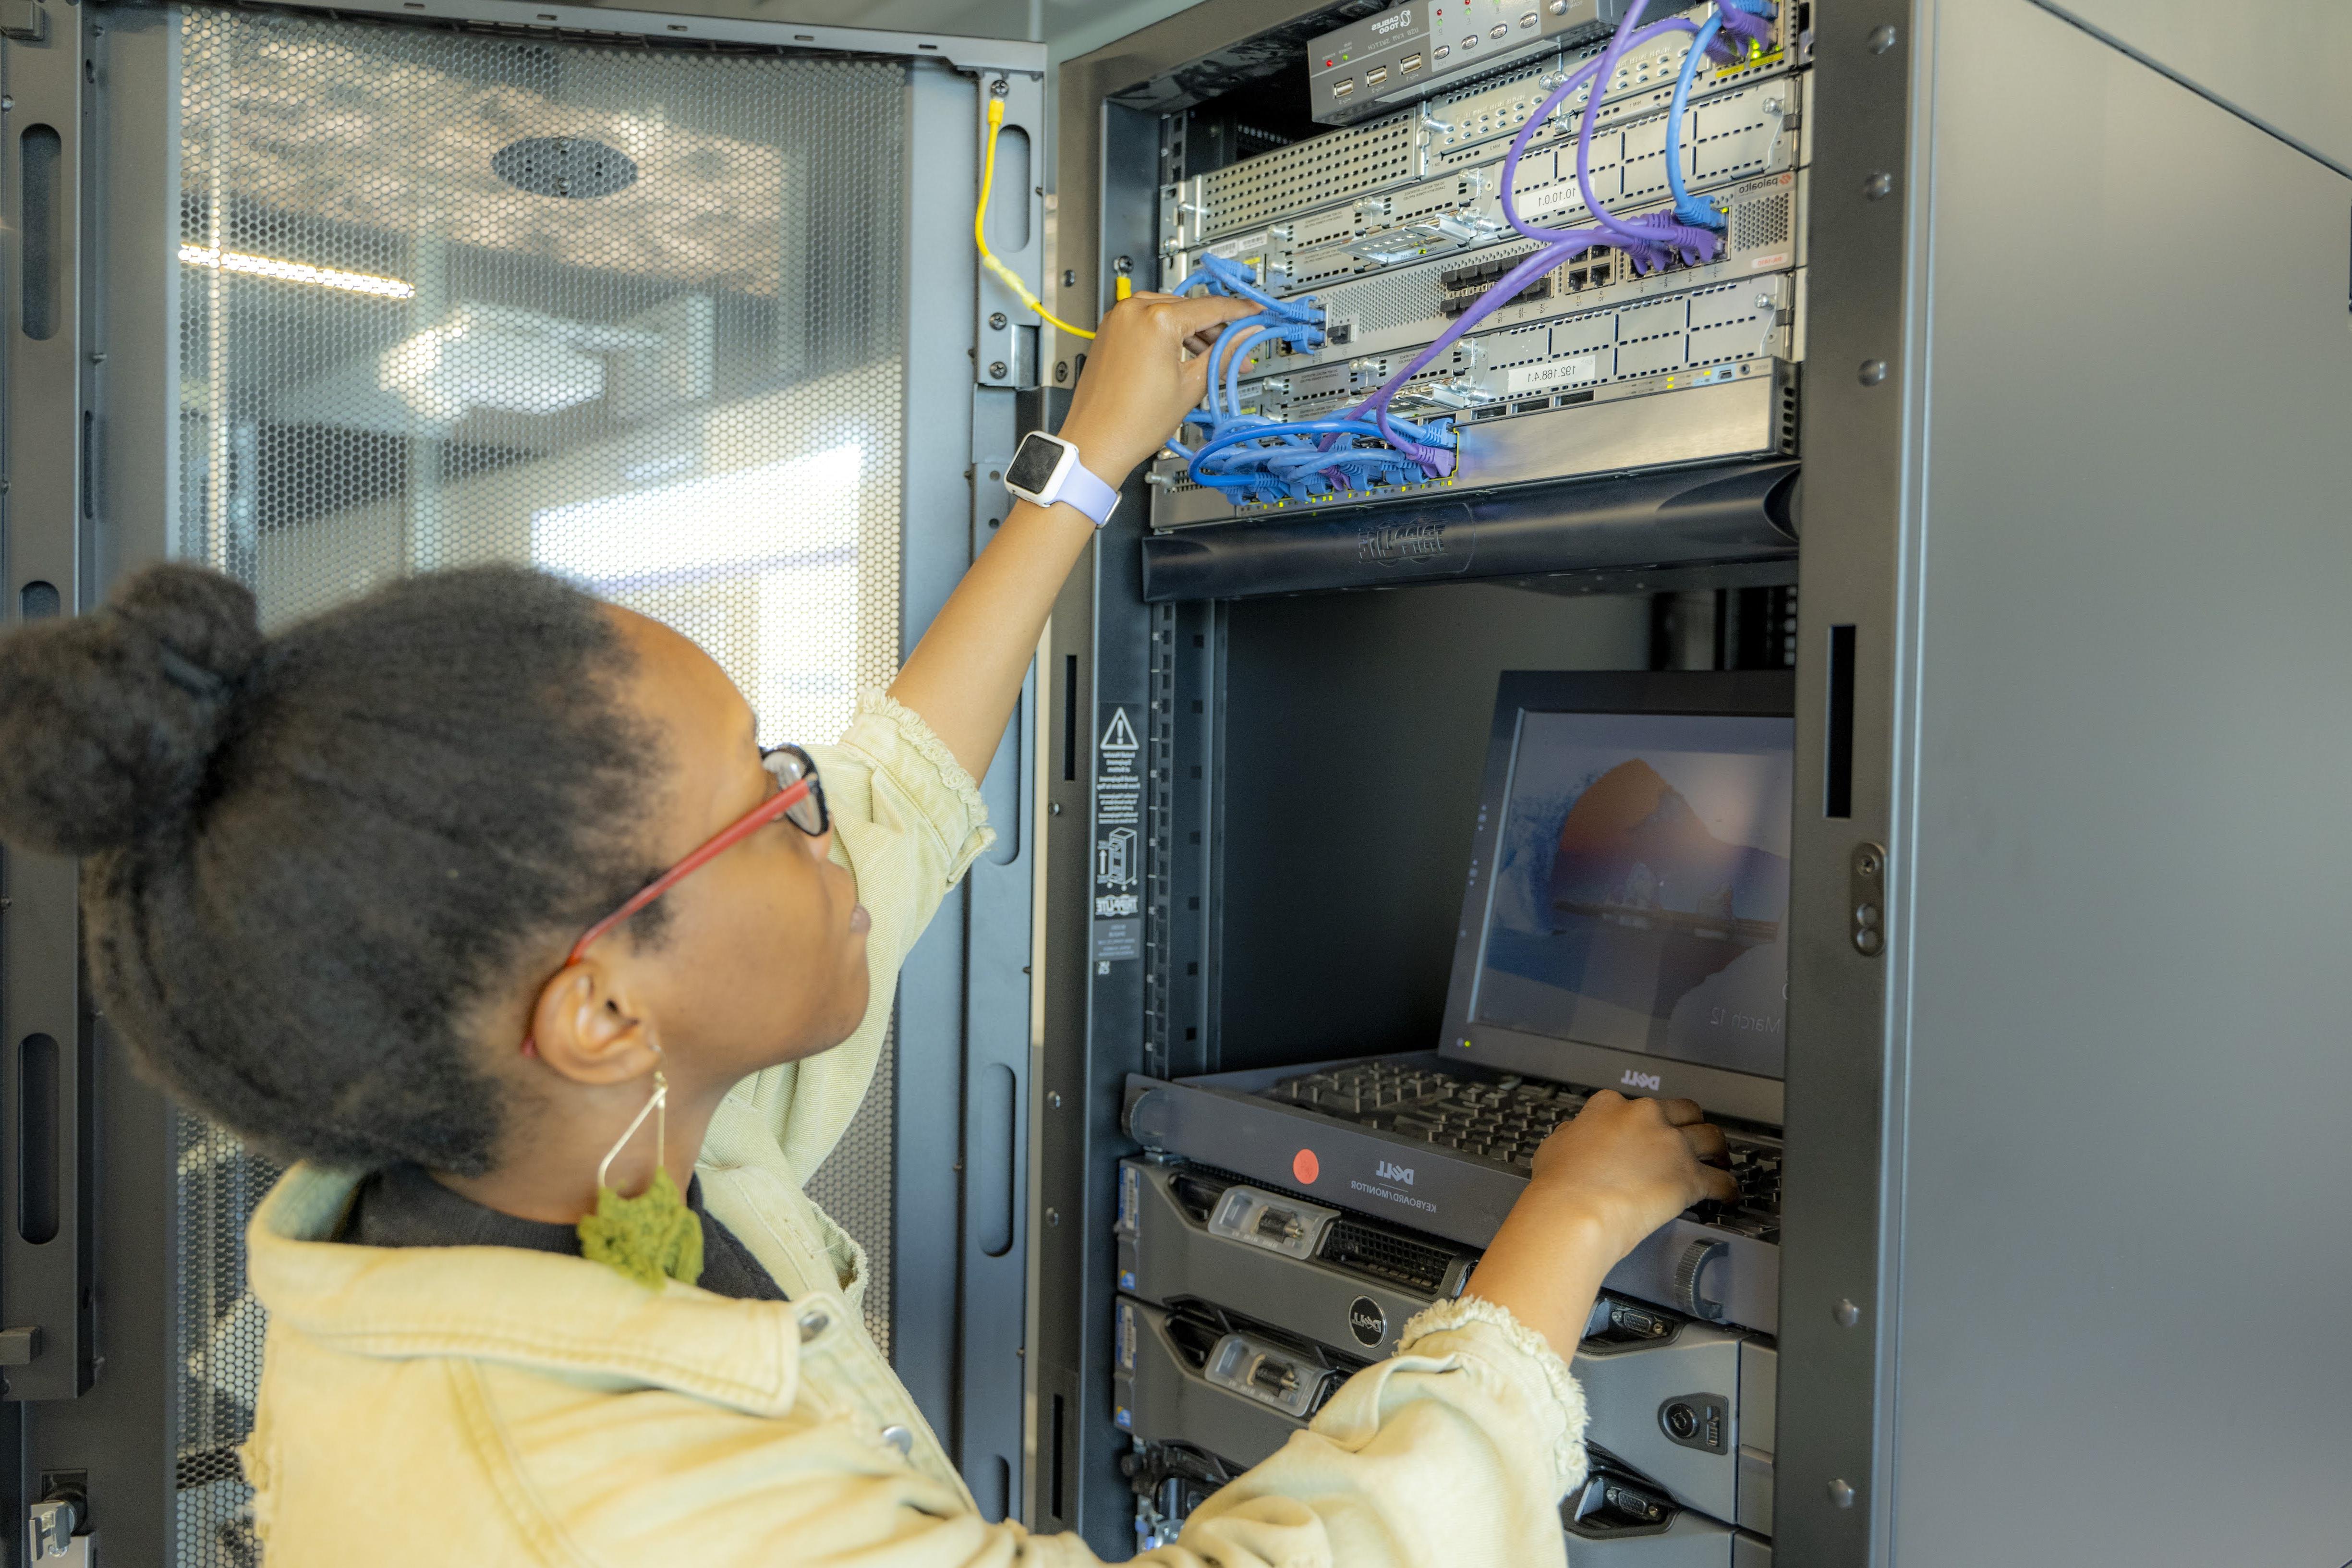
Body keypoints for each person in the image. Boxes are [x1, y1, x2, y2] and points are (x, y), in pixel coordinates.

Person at [0, 292, 1736, 1567]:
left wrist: (1086, 472)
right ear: (600, 1010)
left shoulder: (540, 1163)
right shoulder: (588, 1509)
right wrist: (1551, 1251)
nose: (817, 809)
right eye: (766, 798)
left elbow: (896, 786)